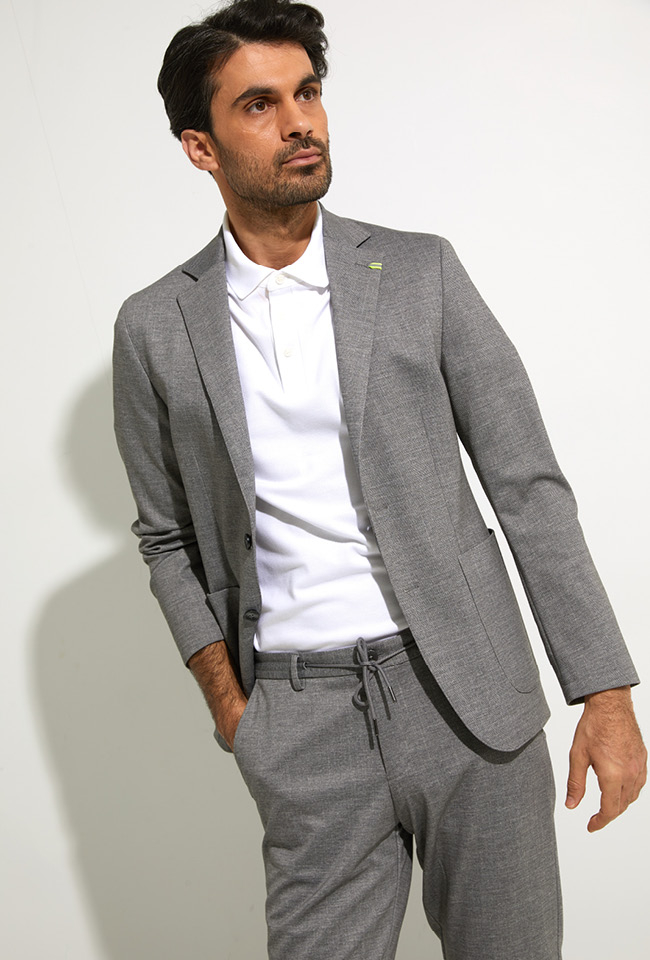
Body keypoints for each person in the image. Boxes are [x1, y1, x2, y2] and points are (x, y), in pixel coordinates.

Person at [112, 2, 646, 958]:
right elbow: (165, 536)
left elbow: (526, 484)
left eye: (308, 93)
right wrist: (235, 710)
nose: (299, 122)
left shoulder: (418, 273)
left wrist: (604, 692)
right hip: (300, 718)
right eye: (260, 105)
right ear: (200, 146)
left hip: (469, 697)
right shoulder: (156, 325)